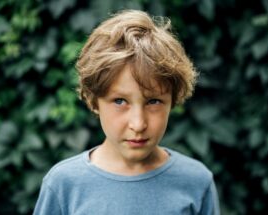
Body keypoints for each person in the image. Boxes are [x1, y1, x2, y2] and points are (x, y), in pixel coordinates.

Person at [33, 9, 220, 215]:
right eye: (120, 101)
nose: (138, 124)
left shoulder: (196, 182)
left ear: (173, 101)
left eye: (154, 101)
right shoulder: (63, 184)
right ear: (93, 101)